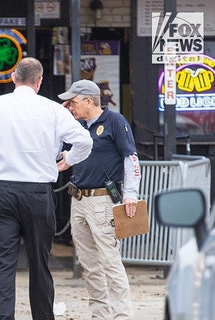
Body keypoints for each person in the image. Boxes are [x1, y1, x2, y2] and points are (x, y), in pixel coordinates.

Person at [0, 57, 93, 320]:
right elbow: (84, 141)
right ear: (39, 82)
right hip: (37, 192)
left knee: (1, 264)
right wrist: (67, 161)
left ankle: (5, 317)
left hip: (2, 191)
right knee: (40, 263)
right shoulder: (52, 110)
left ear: (14, 78)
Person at [59, 79, 141, 320]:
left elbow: (131, 157)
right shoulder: (76, 126)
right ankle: (100, 315)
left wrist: (131, 195)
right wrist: (62, 119)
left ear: (88, 100)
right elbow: (61, 152)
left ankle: (122, 315)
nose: (71, 107)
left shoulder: (114, 121)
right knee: (89, 263)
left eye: (73, 102)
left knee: (109, 260)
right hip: (79, 200)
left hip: (103, 200)